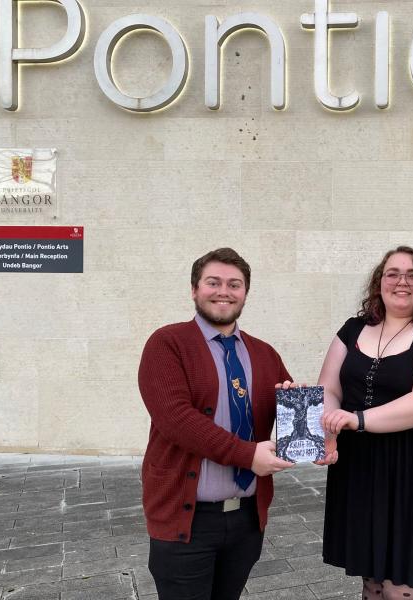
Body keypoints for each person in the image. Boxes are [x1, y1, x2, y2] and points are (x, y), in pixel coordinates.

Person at [317, 246, 413, 599]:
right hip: (362, 466)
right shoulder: (353, 328)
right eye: (392, 273)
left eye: (412, 274)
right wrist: (328, 425)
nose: (401, 281)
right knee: (372, 581)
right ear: (379, 282)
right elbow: (328, 388)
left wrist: (355, 419)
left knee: (405, 580)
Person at [138, 247, 294, 600]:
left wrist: (308, 426)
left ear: (245, 293)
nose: (224, 291)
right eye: (213, 282)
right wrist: (247, 455)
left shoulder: (264, 353)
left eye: (234, 284)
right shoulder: (167, 344)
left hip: (246, 520)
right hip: (186, 521)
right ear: (194, 289)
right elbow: (176, 419)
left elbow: (286, 421)